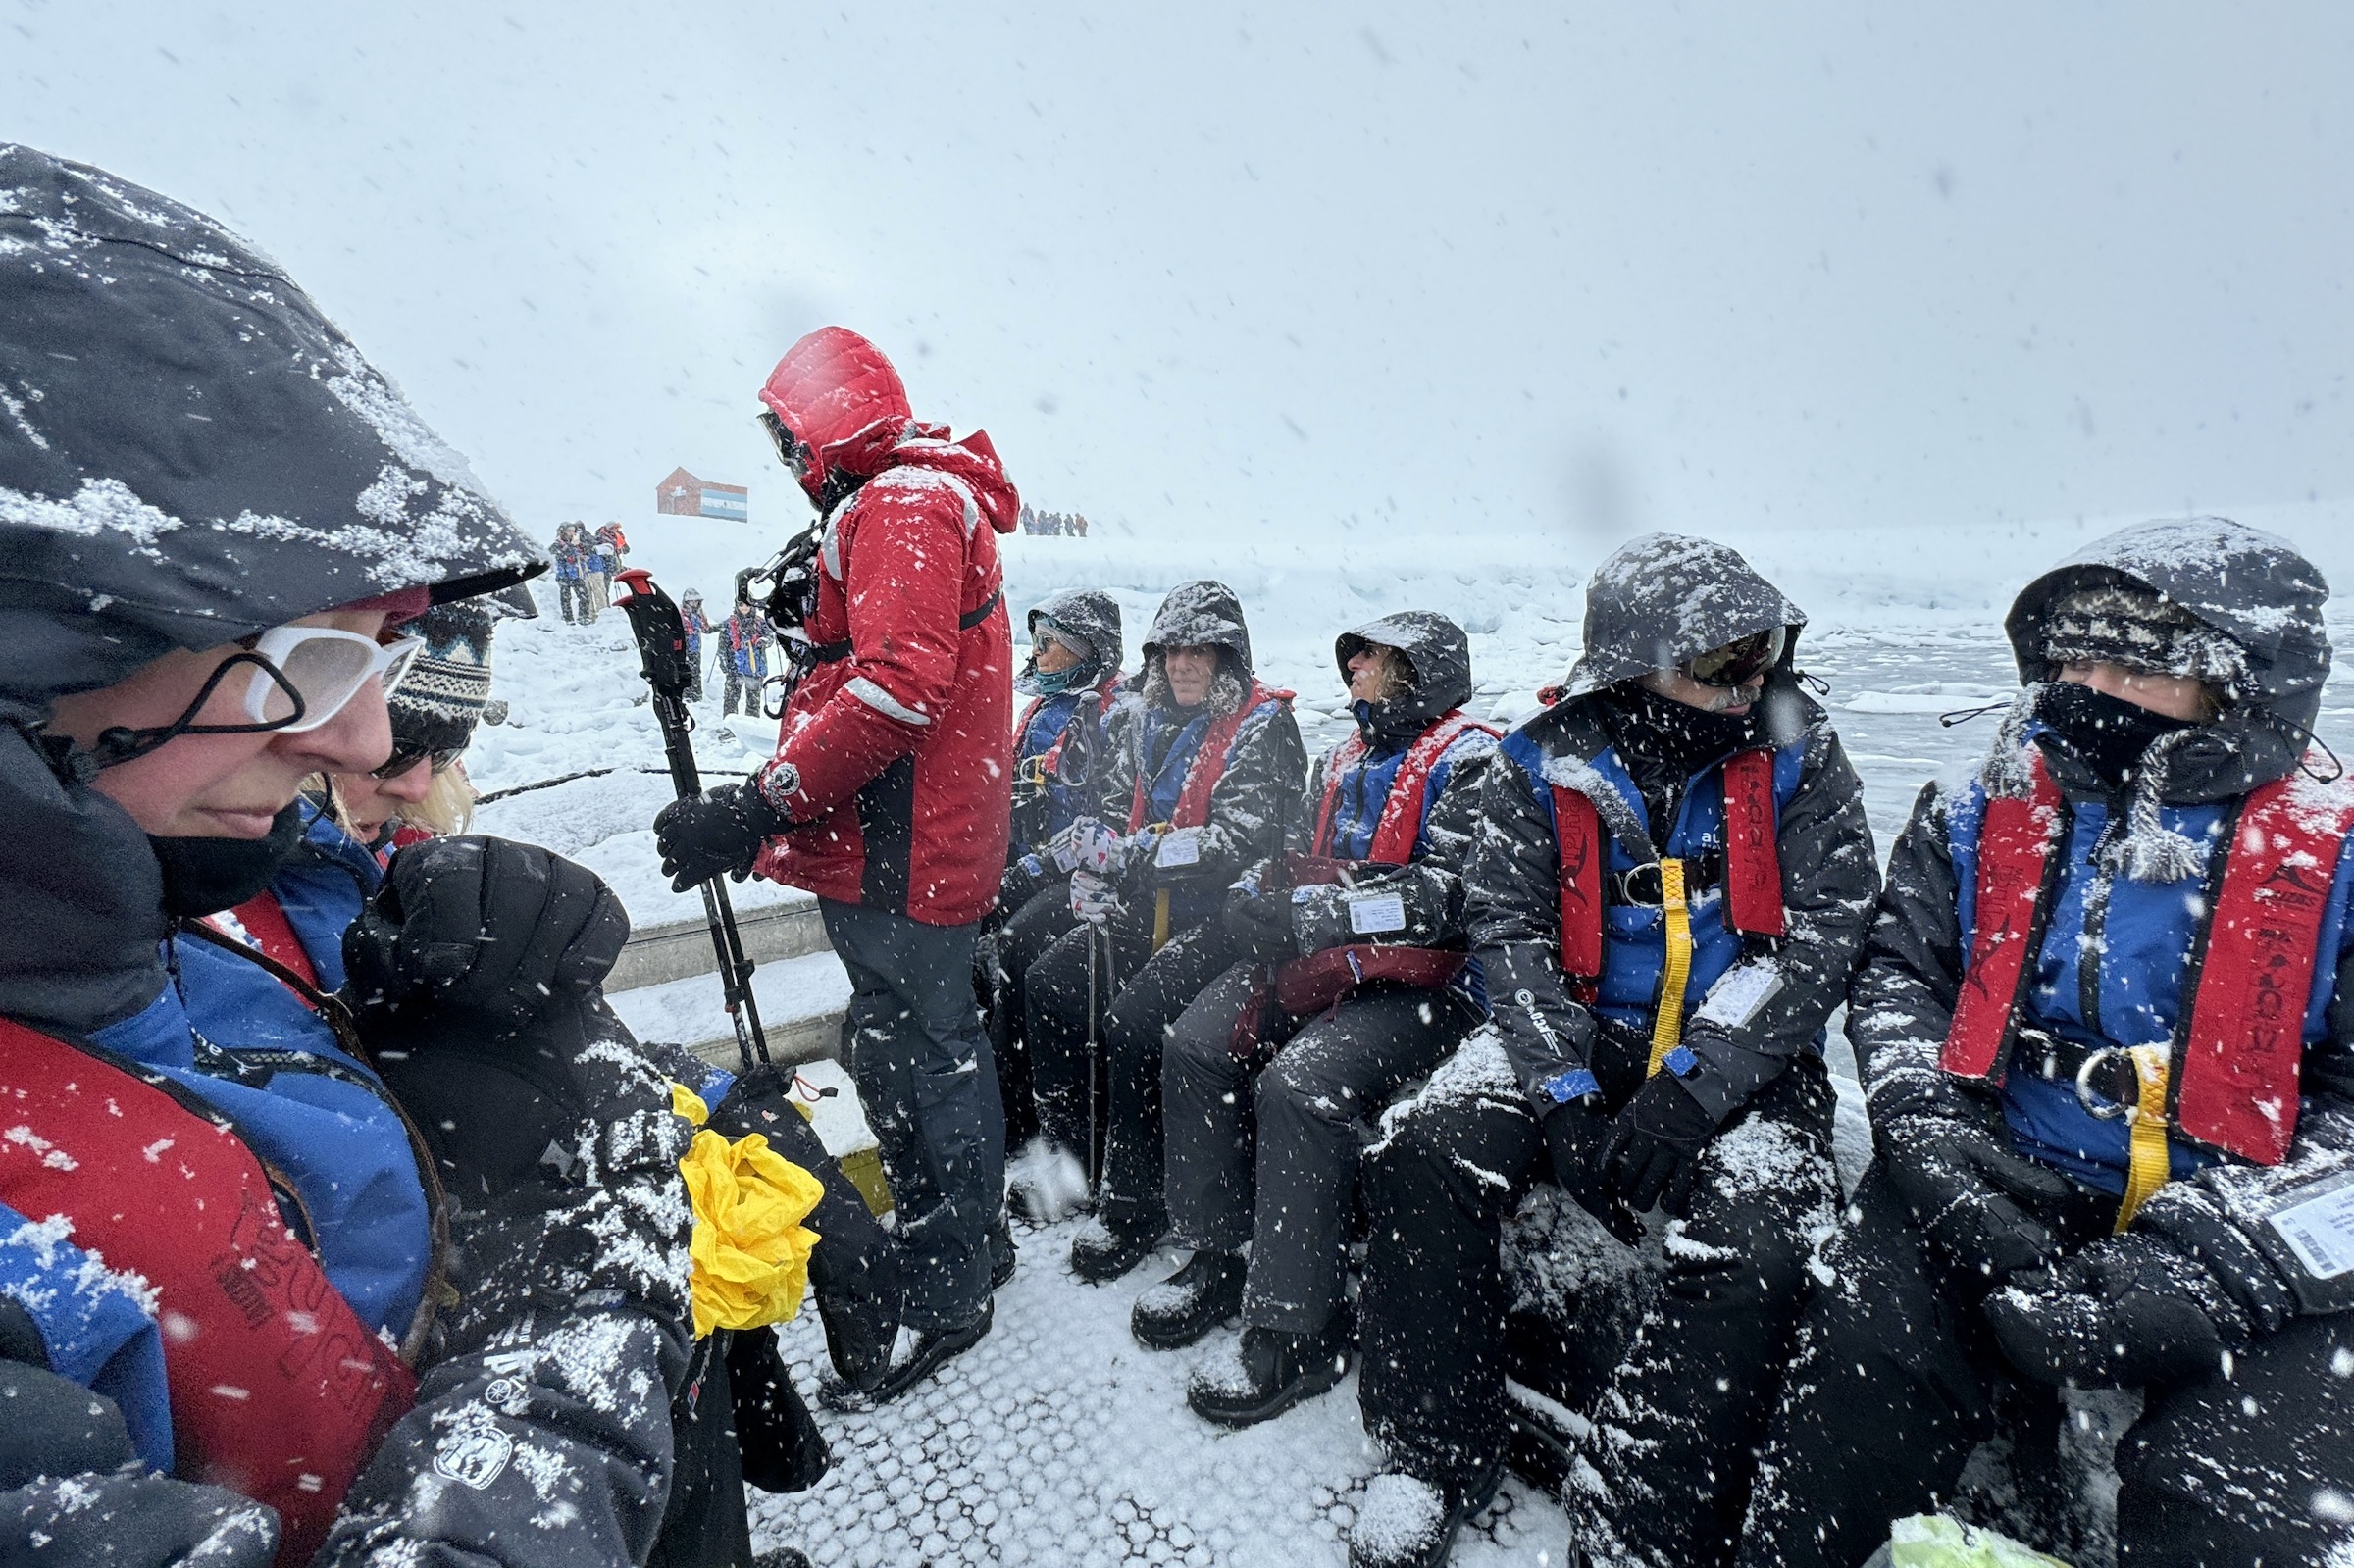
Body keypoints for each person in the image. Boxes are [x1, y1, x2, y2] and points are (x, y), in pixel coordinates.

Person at [0, 145, 702, 1565]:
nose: (370, 738)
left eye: (379, 656)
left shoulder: (157, 900)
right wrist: (592, 1259)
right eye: (307, 657)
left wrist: (436, 1021)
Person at [1736, 520, 2354, 1568]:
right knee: (1856, 1389)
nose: (2087, 685)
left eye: (2131, 663)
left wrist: (2219, 1261)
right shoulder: (1976, 810)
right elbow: (1898, 976)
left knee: (2231, 1504)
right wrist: (1927, 1132)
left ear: (2241, 683)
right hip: (2003, 1162)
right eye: (2071, 658)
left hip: (2250, 1217)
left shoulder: (2332, 853)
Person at [1349, 535, 1879, 1568]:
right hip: (1587, 1031)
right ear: (1636, 662)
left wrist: (1691, 1090)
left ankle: (1641, 1512)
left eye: (1760, 654)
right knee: (1424, 1154)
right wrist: (1561, 1086)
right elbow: (1511, 932)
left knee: (1758, 1242)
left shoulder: (1803, 753)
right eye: (1720, 661)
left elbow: (1827, 933)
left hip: (1745, 1053)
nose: (1750, 682)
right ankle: (1430, 1448)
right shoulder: (1536, 766)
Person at [653, 325, 1020, 1405]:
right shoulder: (901, 499)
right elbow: (880, 657)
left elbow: (901, 687)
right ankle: (966, 1245)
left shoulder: (903, 503)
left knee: (921, 1056)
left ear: (829, 417)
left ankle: (951, 1287)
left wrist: (758, 805)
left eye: (785, 434)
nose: (783, 455)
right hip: (908, 844)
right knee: (911, 1043)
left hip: (907, 853)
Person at [1149, 613, 1499, 1427]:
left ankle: (1297, 1325)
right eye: (1357, 658)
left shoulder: (1472, 759)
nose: (1357, 671)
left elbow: (1445, 895)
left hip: (1420, 985)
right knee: (1195, 1041)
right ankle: (1218, 1246)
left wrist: (1320, 916)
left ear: (1421, 670)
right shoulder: (1343, 755)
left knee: (1297, 1085)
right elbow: (1290, 850)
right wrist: (1253, 898)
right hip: (1321, 962)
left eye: (1373, 659)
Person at [1022, 581, 1309, 1283]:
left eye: (1199, 653)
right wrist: (1097, 874)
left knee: (1133, 1022)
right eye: (1171, 652)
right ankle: (1078, 1156)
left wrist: (1130, 860)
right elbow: (1118, 812)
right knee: (1049, 983)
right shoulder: (1140, 722)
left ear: (1227, 659)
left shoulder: (1262, 727)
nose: (1182, 665)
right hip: (1149, 904)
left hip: (1226, 918)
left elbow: (1239, 841)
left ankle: (1138, 1200)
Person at [988, 589, 1125, 1164]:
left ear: (1087, 653)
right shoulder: (1044, 709)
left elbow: (1108, 819)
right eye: (1037, 642)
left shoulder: (1107, 715)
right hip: (1026, 863)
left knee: (1017, 948)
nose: (1038, 654)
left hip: (1079, 875)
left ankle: (1033, 1123)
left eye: (1052, 645)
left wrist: (1035, 869)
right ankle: (999, 1106)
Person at [721, 593, 775, 719]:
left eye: (747, 604)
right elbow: (723, 646)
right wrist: (725, 663)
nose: (744, 607)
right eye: (741, 604)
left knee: (753, 703)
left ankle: (751, 728)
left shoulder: (760, 622)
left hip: (755, 667)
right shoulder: (730, 623)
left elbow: (769, 637)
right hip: (735, 667)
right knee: (730, 701)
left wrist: (763, 641)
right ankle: (730, 727)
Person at [550, 520, 599, 623]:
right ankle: (568, 619)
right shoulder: (557, 544)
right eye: (569, 531)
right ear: (563, 532)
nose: (572, 533)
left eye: (573, 531)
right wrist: (568, 554)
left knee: (584, 596)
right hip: (563, 574)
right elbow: (556, 557)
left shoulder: (575, 544)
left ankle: (583, 616)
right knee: (566, 598)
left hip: (575, 574)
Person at [680, 586, 712, 704]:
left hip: (696, 648)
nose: (694, 603)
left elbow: (706, 629)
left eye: (696, 601)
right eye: (691, 601)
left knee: (696, 672)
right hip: (685, 648)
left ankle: (697, 695)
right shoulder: (682, 615)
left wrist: (722, 626)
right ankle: (686, 695)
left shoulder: (699, 614)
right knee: (686, 673)